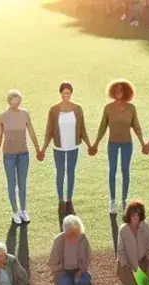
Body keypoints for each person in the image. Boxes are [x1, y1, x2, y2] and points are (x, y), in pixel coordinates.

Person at [90, 80, 144, 215]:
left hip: (127, 144)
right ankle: (113, 201)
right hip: (112, 143)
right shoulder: (108, 108)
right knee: (112, 171)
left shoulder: (131, 108)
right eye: (116, 90)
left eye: (121, 90)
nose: (119, 92)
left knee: (125, 171)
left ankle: (124, 200)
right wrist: (95, 144)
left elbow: (136, 126)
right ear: (112, 91)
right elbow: (103, 126)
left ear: (126, 92)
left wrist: (143, 143)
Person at [41, 82, 89, 215]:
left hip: (73, 146)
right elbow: (49, 130)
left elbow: (83, 129)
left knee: (71, 173)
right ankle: (61, 200)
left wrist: (89, 145)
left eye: (68, 93)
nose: (66, 95)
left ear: (71, 94)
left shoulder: (78, 109)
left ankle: (69, 200)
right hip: (59, 147)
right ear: (60, 93)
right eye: (64, 92)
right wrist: (43, 148)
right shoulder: (54, 109)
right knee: (60, 173)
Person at [0, 90, 38, 225]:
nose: (16, 101)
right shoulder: (2, 117)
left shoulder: (25, 114)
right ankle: (15, 212)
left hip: (23, 154)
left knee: (22, 184)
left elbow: (31, 131)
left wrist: (38, 148)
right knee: (12, 184)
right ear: (9, 100)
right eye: (13, 99)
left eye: (18, 98)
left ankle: (23, 210)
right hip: (9, 156)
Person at [117, 200, 149, 285]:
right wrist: (125, 264)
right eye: (133, 214)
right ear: (129, 215)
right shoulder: (123, 229)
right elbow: (120, 250)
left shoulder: (145, 227)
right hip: (128, 264)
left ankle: (144, 284)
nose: (136, 217)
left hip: (141, 261)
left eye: (138, 214)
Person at [49, 214, 93, 285]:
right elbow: (53, 263)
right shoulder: (58, 241)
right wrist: (58, 271)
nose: (73, 237)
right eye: (70, 235)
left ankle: (77, 283)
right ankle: (69, 284)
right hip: (63, 271)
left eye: (75, 234)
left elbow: (88, 257)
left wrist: (80, 272)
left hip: (78, 270)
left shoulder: (83, 238)